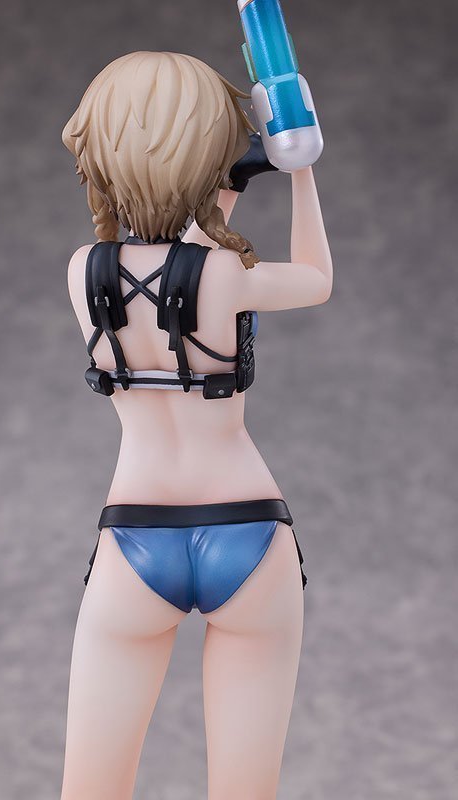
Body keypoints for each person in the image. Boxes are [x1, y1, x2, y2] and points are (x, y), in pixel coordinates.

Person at [60, 50, 332, 800]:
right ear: (208, 160)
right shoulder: (228, 275)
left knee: (90, 788)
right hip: (249, 529)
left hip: (134, 531)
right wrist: (300, 169)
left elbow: (171, 277)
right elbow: (313, 279)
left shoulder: (84, 272)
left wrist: (222, 187)